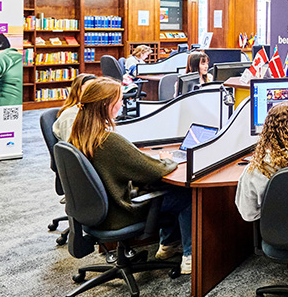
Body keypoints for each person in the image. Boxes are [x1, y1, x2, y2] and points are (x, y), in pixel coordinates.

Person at [66, 77, 193, 273]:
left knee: (160, 187)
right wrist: (167, 159)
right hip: (120, 213)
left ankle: (168, 245)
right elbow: (154, 170)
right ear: (107, 105)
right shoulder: (109, 141)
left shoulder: (79, 135)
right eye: (119, 99)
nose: (123, 103)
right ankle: (189, 256)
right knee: (186, 195)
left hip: (99, 211)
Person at [52, 74, 96, 141]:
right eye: (88, 89)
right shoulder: (70, 116)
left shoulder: (92, 110)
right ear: (77, 91)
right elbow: (71, 145)